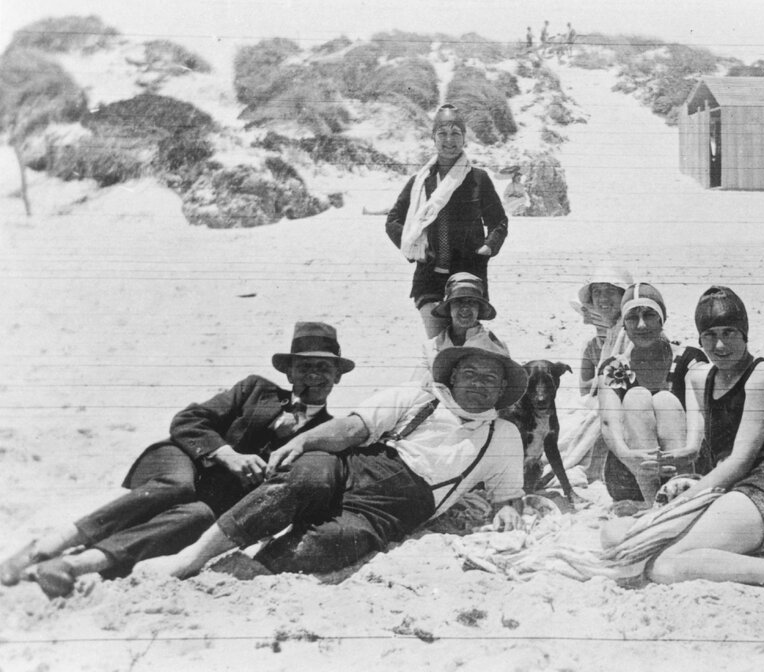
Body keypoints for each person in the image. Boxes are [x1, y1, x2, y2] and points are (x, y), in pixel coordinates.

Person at [0, 322, 354, 597]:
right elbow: (188, 421)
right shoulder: (255, 389)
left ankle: (73, 565)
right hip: (181, 459)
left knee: (196, 517)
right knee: (176, 485)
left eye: (323, 368)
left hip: (211, 501)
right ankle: (45, 548)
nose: (313, 376)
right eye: (304, 367)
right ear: (289, 373)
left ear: (337, 377)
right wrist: (225, 453)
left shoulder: (328, 433)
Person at [134, 339, 528, 578]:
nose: (478, 384)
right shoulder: (416, 397)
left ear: (502, 390)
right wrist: (304, 442)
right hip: (352, 467)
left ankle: (250, 568)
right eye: (471, 374)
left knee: (333, 542)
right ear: (453, 376)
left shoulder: (503, 436)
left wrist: (508, 509)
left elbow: (508, 494)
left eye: (490, 379)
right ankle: (191, 557)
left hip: (388, 514)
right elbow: (352, 430)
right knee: (306, 477)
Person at [616, 286, 764, 589]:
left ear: (745, 334)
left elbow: (740, 461)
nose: (719, 345)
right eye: (709, 336)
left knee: (663, 564)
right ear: (699, 339)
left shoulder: (763, 375)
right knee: (618, 536)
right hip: (729, 491)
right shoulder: (705, 379)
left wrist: (676, 505)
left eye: (729, 333)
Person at [385, 104, 509, 339]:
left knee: (465, 347)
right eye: (442, 134)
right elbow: (393, 220)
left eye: (456, 134)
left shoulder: (478, 179)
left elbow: (499, 222)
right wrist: (414, 246)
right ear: (433, 138)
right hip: (429, 279)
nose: (449, 140)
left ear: (465, 139)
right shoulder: (421, 181)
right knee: (437, 347)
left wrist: (487, 247)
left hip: (468, 279)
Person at [597, 283, 707, 505]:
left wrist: (690, 450)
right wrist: (628, 457)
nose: (641, 325)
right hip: (631, 473)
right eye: (632, 318)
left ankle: (678, 498)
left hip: (685, 464)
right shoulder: (615, 367)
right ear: (624, 325)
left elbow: (699, 411)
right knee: (636, 396)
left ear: (662, 319)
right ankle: (655, 505)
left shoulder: (688, 359)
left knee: (665, 400)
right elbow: (608, 423)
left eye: (649, 315)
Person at [417, 272, 507, 380]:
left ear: (479, 308)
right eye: (458, 301)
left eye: (472, 302)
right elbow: (415, 388)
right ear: (448, 307)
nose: (465, 308)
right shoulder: (430, 348)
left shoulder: (494, 346)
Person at [574, 265, 633, 396]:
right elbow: (586, 390)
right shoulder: (613, 332)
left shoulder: (633, 333)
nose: (603, 298)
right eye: (597, 292)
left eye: (610, 291)